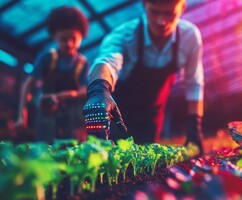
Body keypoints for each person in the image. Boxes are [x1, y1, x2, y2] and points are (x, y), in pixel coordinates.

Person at [83, 0, 204, 153]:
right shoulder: (125, 35)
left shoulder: (189, 37)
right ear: (144, 5)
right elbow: (106, 61)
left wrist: (195, 126)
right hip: (119, 115)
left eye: (170, 14)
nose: (162, 21)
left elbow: (194, 83)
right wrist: (99, 89)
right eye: (155, 12)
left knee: (144, 164)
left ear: (182, 8)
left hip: (152, 118)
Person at [16, 6, 90, 144]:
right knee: (44, 149)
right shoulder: (47, 58)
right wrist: (21, 115)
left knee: (71, 151)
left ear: (81, 36)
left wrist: (62, 96)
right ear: (54, 36)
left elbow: (85, 89)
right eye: (63, 39)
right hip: (46, 116)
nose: (69, 43)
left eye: (73, 38)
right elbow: (28, 84)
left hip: (72, 119)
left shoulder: (82, 63)